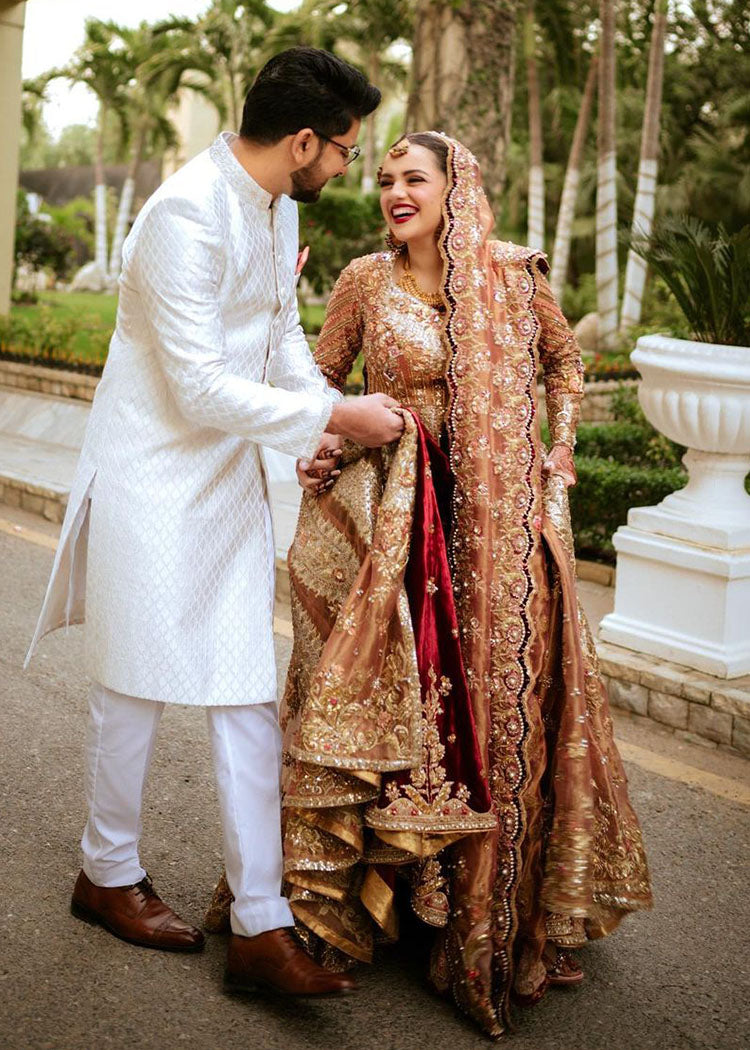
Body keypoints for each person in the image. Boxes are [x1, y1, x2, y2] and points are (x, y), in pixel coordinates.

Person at [24, 47, 406, 998]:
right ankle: (106, 872)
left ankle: (259, 924)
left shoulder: (277, 208)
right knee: (131, 689)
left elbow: (278, 334)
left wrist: (317, 423)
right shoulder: (183, 214)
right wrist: (334, 414)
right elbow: (196, 384)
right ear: (304, 141)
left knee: (242, 692)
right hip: (151, 478)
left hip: (228, 481)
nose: (347, 168)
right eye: (346, 151)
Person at [253, 132, 652, 1035]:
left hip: (503, 529)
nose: (396, 192)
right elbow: (320, 381)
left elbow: (564, 364)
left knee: (499, 708)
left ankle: (491, 906)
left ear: (453, 187)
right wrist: (323, 442)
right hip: (402, 527)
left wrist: (559, 458)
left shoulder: (512, 275)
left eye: (414, 179)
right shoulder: (364, 281)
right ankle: (394, 894)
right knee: (405, 698)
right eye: (385, 180)